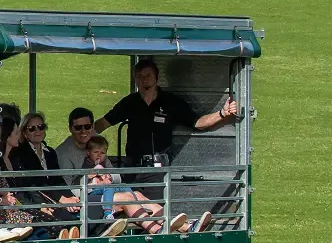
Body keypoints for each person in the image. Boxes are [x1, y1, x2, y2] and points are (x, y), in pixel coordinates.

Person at [96, 59, 241, 168]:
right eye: (140, 76)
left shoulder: (171, 101)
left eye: (148, 75)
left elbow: (198, 123)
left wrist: (222, 113)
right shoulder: (129, 102)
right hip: (134, 165)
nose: (144, 79)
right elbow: (103, 123)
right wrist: (81, 137)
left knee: (158, 207)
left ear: (156, 78)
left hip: (160, 166)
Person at [54, 107, 95, 174]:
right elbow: (66, 184)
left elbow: (114, 174)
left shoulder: (98, 142)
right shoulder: (63, 154)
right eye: (78, 128)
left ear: (93, 126)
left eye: (87, 126)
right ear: (70, 128)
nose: (83, 131)